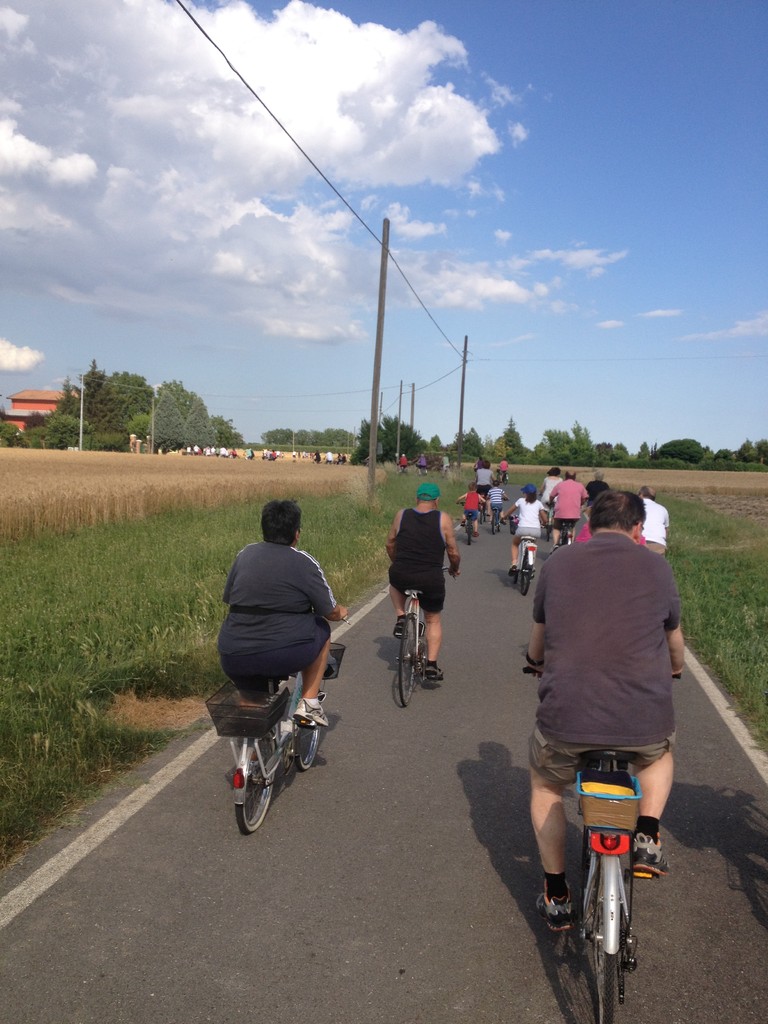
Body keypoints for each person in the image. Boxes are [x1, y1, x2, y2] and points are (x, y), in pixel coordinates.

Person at [524, 490, 684, 931]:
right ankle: (647, 833)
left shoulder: (558, 563)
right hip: (642, 720)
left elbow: (539, 636)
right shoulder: (657, 566)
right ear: (638, 528)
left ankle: (556, 893)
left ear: (588, 524)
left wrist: (535, 661)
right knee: (657, 755)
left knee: (546, 786)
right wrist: (675, 668)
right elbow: (673, 637)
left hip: (566, 722)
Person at [217, 500, 348, 729]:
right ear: (296, 534)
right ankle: (309, 703)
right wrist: (341, 611)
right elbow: (330, 612)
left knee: (253, 707)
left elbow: (229, 598)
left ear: (264, 529)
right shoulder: (304, 562)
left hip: (233, 653)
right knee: (322, 629)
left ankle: (250, 744)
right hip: (285, 654)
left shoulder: (245, 555)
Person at [386, 482, 461, 681]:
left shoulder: (401, 515)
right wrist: (454, 568)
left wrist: (397, 562)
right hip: (430, 578)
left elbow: (390, 543)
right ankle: (431, 666)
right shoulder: (443, 519)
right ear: (436, 501)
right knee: (432, 620)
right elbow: (453, 551)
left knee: (394, 585)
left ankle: (401, 617)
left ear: (417, 499)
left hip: (402, 572)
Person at [508, 484, 547, 576]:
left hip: (522, 529)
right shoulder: (538, 503)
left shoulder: (521, 501)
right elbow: (545, 519)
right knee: (533, 544)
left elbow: (510, 510)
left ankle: (514, 563)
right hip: (535, 531)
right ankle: (531, 564)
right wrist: (544, 524)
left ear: (525, 493)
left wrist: (504, 517)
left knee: (515, 544)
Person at [548, 471, 588, 546]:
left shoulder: (560, 485)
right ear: (575, 477)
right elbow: (585, 497)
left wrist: (550, 502)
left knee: (556, 527)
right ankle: (571, 544)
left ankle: (556, 544)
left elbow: (552, 496)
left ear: (565, 477)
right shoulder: (580, 486)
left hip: (560, 512)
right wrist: (580, 503)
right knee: (572, 526)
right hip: (574, 513)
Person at [639, 486, 670, 555]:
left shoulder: (634, 506)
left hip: (638, 542)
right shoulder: (663, 509)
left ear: (641, 495)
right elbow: (666, 530)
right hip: (659, 544)